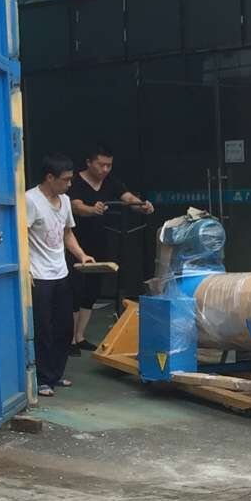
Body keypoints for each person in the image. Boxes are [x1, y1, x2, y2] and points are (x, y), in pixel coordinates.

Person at [68, 145, 154, 351]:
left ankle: (80, 336)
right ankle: (69, 339)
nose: (105, 169)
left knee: (92, 290)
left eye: (109, 165)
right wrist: (92, 209)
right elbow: (76, 206)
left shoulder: (111, 181)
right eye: (101, 165)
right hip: (75, 243)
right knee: (75, 289)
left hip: (101, 241)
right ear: (89, 163)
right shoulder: (76, 182)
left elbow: (128, 198)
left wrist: (142, 205)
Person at [27, 155, 96, 397]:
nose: (69, 184)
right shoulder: (30, 200)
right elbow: (20, 235)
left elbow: (67, 233)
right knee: (43, 329)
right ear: (50, 177)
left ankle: (55, 374)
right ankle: (42, 379)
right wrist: (26, 269)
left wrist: (82, 255)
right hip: (39, 275)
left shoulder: (65, 201)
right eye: (65, 180)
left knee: (65, 328)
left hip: (61, 273)